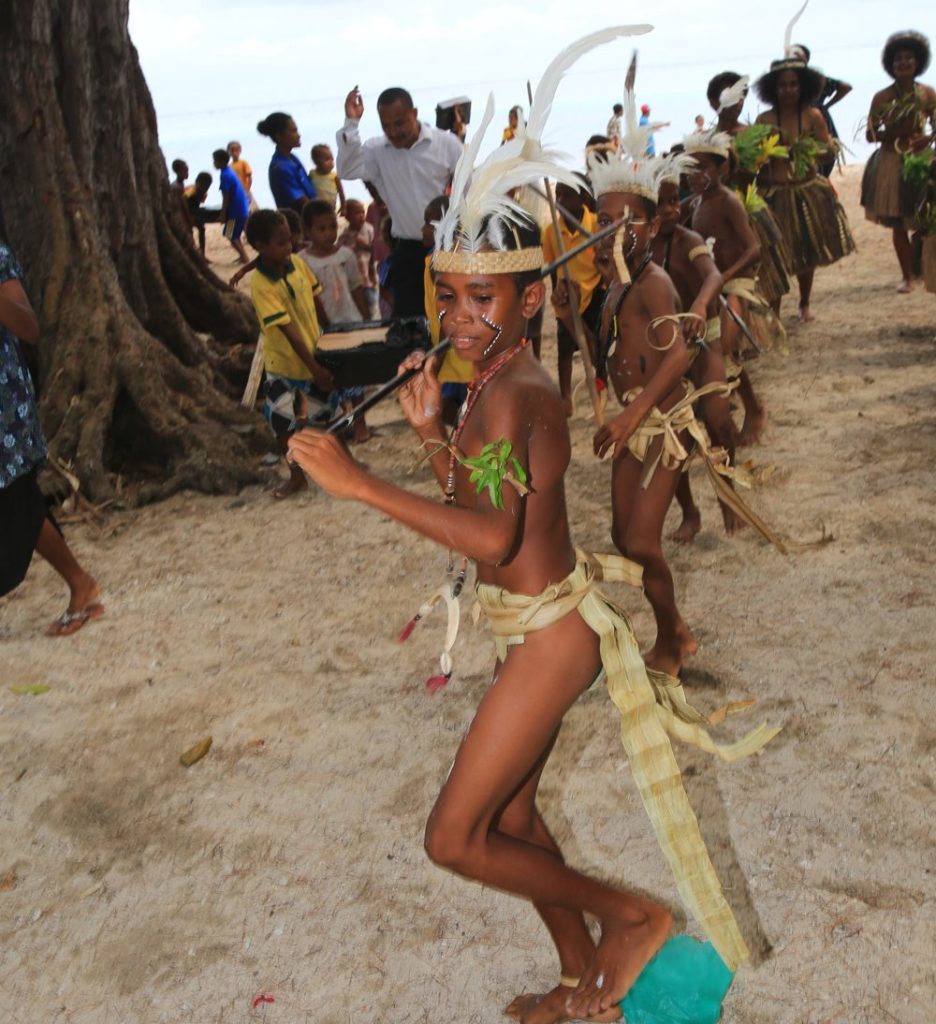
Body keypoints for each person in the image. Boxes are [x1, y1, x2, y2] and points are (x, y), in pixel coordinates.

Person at [287, 46, 769, 1017]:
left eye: (484, 299)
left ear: (531, 298)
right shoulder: (487, 387)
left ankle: (631, 918)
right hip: (533, 626)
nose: (460, 318)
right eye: (448, 296)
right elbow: (482, 505)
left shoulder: (522, 392)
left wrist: (360, 484)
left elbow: (495, 543)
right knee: (510, 816)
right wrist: (430, 436)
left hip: (552, 635)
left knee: (453, 837)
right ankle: (579, 972)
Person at [588, 133, 697, 683]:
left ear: (651, 228)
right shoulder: (614, 288)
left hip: (664, 425)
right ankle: (675, 628)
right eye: (604, 220)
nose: (613, 230)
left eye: (626, 221)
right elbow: (610, 356)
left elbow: (678, 356)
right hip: (633, 426)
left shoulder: (654, 283)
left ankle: (671, 643)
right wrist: (569, 319)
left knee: (642, 541)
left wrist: (631, 417)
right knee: (620, 535)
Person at [0, 242, 103, 636]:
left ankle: (82, 585)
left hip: (4, 406)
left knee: (17, 500)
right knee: (16, 502)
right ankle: (81, 584)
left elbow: (29, 327)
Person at [650, 177, 743, 540]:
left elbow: (713, 275)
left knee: (718, 419)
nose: (670, 210)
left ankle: (728, 498)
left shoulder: (690, 242)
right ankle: (689, 512)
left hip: (703, 339)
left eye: (675, 200)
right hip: (663, 347)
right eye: (661, 203)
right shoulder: (640, 250)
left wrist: (701, 306)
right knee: (670, 437)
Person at [336, 86, 463, 317]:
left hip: (450, 248)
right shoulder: (377, 150)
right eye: (386, 126)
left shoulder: (447, 144)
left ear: (414, 114)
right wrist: (351, 124)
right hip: (408, 251)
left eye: (399, 123)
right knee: (410, 322)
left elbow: (468, 193)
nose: (393, 132)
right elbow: (347, 169)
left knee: (454, 318)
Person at [754, 57, 855, 321]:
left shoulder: (813, 115)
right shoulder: (764, 119)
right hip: (774, 194)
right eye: (782, 85)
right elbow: (754, 160)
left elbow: (827, 151)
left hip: (804, 191)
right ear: (773, 89)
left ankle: (804, 302)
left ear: (803, 87)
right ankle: (774, 311)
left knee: (805, 250)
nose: (788, 90)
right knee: (774, 255)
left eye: (793, 84)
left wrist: (805, 150)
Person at [683, 131, 767, 447]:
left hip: (736, 282)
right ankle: (722, 412)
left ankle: (754, 408)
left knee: (724, 348)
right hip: (712, 285)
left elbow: (754, 249)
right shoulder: (695, 203)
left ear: (722, 168)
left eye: (702, 168)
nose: (695, 175)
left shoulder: (729, 202)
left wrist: (723, 277)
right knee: (709, 351)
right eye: (690, 169)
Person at [245, 209, 334, 499]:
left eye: (290, 240)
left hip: (315, 352)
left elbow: (316, 297)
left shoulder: (296, 263)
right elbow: (287, 329)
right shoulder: (261, 283)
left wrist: (332, 334)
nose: (289, 247)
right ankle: (296, 476)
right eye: (281, 243)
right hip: (283, 364)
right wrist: (314, 368)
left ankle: (329, 470)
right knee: (283, 422)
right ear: (260, 246)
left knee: (323, 417)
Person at [706, 71, 792, 310]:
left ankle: (772, 318)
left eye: (741, 97)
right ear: (713, 102)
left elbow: (775, 175)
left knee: (769, 268)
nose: (737, 103)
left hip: (754, 209)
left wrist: (753, 174)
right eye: (730, 97)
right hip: (720, 214)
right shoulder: (706, 143)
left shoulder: (757, 135)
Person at [861, 31, 936, 292]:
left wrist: (927, 139)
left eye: (908, 58)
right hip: (891, 161)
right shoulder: (882, 97)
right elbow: (870, 134)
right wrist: (891, 133)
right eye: (898, 59)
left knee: (926, 216)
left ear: (918, 62)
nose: (903, 63)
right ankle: (907, 276)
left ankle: (923, 265)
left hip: (920, 159)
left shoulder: (926, 93)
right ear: (890, 65)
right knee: (899, 220)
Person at [299, 200, 371, 443]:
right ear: (307, 231)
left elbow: (356, 287)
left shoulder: (345, 255)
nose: (329, 233)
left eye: (332, 226)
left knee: (355, 378)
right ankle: (341, 423)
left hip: (349, 322)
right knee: (332, 378)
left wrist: (365, 318)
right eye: (321, 229)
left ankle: (361, 424)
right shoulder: (303, 261)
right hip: (321, 329)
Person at [541, 177, 604, 417]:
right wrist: (558, 296)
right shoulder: (551, 231)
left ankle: (601, 384)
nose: (560, 201)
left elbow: (604, 262)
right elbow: (553, 267)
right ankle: (566, 397)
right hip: (567, 296)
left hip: (594, 292)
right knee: (565, 347)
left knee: (595, 344)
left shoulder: (596, 225)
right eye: (558, 195)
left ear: (583, 198)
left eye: (567, 195)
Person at [420, 195, 473, 424]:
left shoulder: (443, 262)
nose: (422, 229)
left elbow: (448, 313)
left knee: (451, 410)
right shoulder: (437, 258)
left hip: (454, 357)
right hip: (454, 354)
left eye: (427, 223)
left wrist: (438, 356)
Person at [787, 44, 852, 177]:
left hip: (817, 123)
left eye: (798, 59)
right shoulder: (785, 80)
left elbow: (846, 87)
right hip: (792, 123)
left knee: (820, 160)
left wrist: (827, 105)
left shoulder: (816, 79)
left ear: (806, 60)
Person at [257, 111, 317, 213]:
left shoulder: (293, 159)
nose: (298, 135)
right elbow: (301, 201)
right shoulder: (281, 168)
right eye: (293, 131)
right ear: (279, 136)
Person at [339, 198, 378, 318]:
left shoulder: (369, 229)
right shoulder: (345, 234)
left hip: (368, 280)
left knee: (371, 309)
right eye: (357, 213)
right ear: (347, 217)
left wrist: (365, 246)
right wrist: (350, 249)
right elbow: (338, 253)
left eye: (363, 212)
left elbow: (377, 251)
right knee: (357, 311)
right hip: (353, 283)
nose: (361, 216)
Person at [212, 149, 250, 264]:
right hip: (241, 208)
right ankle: (243, 255)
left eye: (215, 161)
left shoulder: (225, 175)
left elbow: (226, 196)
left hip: (235, 210)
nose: (214, 163)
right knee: (234, 234)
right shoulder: (229, 171)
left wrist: (223, 214)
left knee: (229, 234)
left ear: (221, 161)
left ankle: (244, 256)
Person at [185, 171, 220, 259]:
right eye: (203, 186)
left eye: (207, 187)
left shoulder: (204, 193)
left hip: (194, 212)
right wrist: (188, 216)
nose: (205, 189)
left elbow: (199, 204)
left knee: (201, 229)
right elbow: (183, 199)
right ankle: (193, 255)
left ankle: (202, 255)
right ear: (197, 182)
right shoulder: (191, 190)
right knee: (190, 232)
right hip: (185, 212)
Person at [309, 143, 346, 215]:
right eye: (327, 159)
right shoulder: (312, 174)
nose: (331, 163)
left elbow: (341, 192)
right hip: (316, 208)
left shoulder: (334, 176)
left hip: (330, 208)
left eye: (332, 159)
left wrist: (343, 207)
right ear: (316, 161)